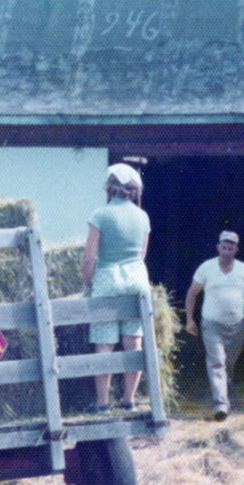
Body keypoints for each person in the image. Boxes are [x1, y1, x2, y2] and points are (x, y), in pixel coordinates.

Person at [81, 162, 151, 412]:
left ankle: (102, 403)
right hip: (136, 281)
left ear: (110, 186)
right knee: (134, 342)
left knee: (104, 343)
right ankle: (129, 400)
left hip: (109, 281)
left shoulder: (100, 214)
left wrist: (89, 282)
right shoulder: (143, 217)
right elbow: (141, 255)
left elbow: (89, 257)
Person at [184, 230, 244, 421]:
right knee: (217, 361)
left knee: (229, 362)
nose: (227, 250)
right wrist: (190, 319)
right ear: (218, 247)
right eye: (224, 246)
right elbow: (192, 294)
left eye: (231, 247)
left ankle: (224, 387)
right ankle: (221, 405)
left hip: (237, 326)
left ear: (236, 250)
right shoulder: (206, 268)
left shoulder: (243, 270)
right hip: (212, 325)